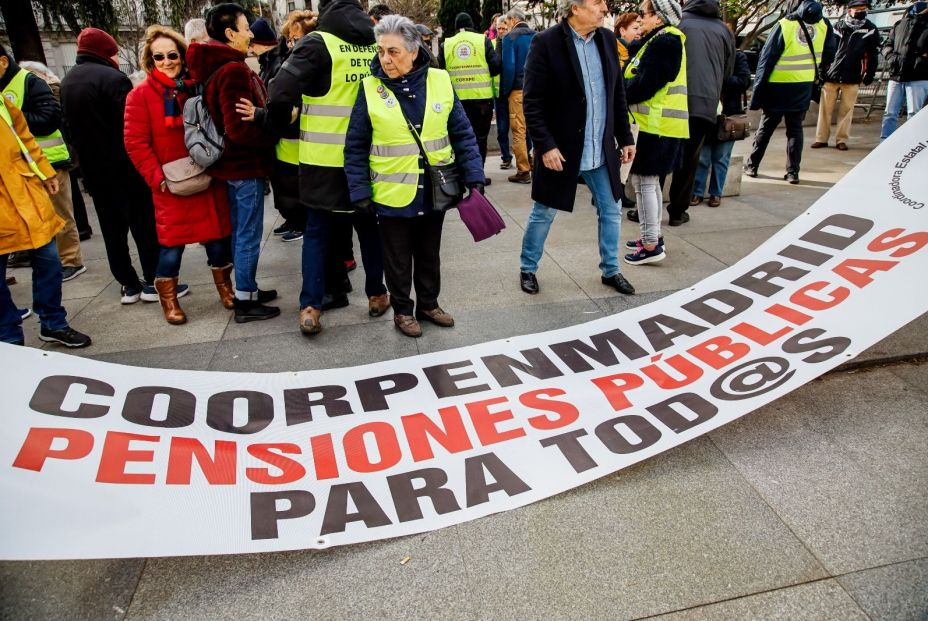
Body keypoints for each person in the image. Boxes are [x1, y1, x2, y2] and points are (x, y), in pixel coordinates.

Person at [345, 15, 484, 337]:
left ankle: (429, 304)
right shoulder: (369, 89)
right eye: (381, 51)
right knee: (396, 258)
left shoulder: (440, 80)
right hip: (392, 193)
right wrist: (359, 192)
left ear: (413, 50)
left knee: (428, 252)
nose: (385, 59)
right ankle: (403, 312)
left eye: (393, 52)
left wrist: (474, 175)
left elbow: (462, 133)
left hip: (435, 188)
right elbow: (354, 146)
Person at [266, 0, 390, 336]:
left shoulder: (316, 44)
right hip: (368, 158)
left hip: (321, 160)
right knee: (368, 227)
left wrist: (282, 125)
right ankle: (377, 294)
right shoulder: (377, 41)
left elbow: (277, 95)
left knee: (317, 232)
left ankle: (311, 306)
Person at [518, 0, 637, 295]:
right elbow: (532, 102)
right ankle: (527, 268)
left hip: (601, 148)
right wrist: (545, 145)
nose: (604, 8)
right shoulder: (545, 42)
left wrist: (625, 136)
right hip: (562, 149)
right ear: (575, 8)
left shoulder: (608, 39)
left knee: (611, 209)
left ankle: (611, 271)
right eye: (597, 2)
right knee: (543, 211)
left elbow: (616, 93)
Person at [124, 26, 234, 325]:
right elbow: (135, 143)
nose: (167, 61)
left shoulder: (196, 86)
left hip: (206, 177)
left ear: (182, 56)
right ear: (150, 59)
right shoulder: (140, 96)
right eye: (159, 57)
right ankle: (169, 300)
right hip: (171, 185)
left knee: (217, 243)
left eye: (172, 55)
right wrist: (156, 178)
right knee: (171, 249)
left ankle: (226, 290)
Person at [187, 4, 280, 323]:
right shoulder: (233, 70)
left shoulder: (218, 65)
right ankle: (245, 302)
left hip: (232, 167)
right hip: (243, 167)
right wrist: (272, 137)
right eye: (246, 27)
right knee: (247, 233)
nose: (251, 33)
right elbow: (238, 128)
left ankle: (248, 289)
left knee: (244, 231)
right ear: (229, 33)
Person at [60, 28, 166, 305]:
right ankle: (152, 280)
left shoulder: (68, 81)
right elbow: (129, 128)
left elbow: (68, 130)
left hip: (95, 173)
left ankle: (127, 284)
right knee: (143, 226)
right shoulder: (114, 79)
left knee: (111, 231)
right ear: (106, 52)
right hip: (125, 169)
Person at [0, 96, 91, 348]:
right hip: (9, 200)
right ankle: (8, 335)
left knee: (49, 260)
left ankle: (53, 322)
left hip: (24, 194)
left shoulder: (3, 103)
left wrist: (45, 171)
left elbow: (25, 140)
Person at [0, 50, 86, 283]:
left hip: (49, 161)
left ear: (3, 62)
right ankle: (49, 260)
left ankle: (71, 261)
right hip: (17, 169)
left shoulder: (29, 82)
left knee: (61, 215)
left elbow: (50, 118)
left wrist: (11, 118)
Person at [622, 0, 687, 265]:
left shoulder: (666, 42)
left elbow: (646, 84)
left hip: (655, 127)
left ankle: (650, 244)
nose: (640, 19)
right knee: (647, 183)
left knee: (645, 182)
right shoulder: (659, 39)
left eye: (644, 14)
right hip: (655, 125)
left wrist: (620, 91)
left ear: (659, 18)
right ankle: (653, 236)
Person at [744, 0, 836, 184]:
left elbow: (766, 59)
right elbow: (830, 54)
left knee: (766, 129)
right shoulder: (825, 25)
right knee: (795, 131)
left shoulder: (785, 25)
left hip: (778, 86)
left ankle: (752, 166)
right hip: (803, 86)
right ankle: (793, 172)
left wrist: (757, 93)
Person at [662, 0, 734, 228]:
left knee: (661, 156)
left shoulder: (679, 23)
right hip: (705, 106)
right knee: (689, 160)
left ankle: (648, 211)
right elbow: (728, 71)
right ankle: (677, 212)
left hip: (674, 102)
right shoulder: (724, 30)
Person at [263, 10, 317, 242]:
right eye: (290, 39)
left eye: (297, 38)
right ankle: (294, 220)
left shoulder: (312, 62)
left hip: (305, 135)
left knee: (298, 184)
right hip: (287, 134)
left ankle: (300, 222)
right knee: (286, 182)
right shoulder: (288, 60)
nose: (292, 44)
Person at [440, 13, 501, 184]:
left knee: (457, 138)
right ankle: (477, 175)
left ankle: (460, 174)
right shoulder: (483, 41)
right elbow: (496, 67)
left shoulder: (447, 43)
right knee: (480, 138)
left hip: (455, 101)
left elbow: (440, 71)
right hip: (481, 100)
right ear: (472, 24)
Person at [812, 0, 878, 150]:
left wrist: (869, 74)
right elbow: (826, 50)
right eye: (858, 9)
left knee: (847, 111)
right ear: (849, 10)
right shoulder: (837, 27)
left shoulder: (871, 29)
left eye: (864, 9)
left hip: (853, 76)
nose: (862, 11)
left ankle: (841, 140)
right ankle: (821, 138)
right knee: (825, 110)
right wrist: (822, 70)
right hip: (831, 76)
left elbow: (873, 55)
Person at [692, 49, 752, 207]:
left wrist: (719, 78)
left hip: (727, 117)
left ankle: (715, 193)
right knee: (702, 158)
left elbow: (744, 81)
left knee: (721, 158)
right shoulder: (706, 55)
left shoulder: (738, 56)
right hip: (706, 113)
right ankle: (697, 192)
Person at [879, 1, 928, 140]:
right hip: (896, 75)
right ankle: (885, 142)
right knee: (890, 113)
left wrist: (920, 61)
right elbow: (887, 45)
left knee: (914, 114)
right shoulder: (900, 25)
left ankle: (911, 144)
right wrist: (891, 57)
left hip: (919, 76)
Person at [501, 8, 536, 184]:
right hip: (538, 89)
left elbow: (509, 67)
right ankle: (538, 163)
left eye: (506, 23)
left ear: (513, 20)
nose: (506, 27)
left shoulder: (510, 38)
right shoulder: (537, 36)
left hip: (518, 90)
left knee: (519, 131)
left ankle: (523, 170)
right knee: (538, 128)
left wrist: (505, 90)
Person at [494, 16, 514, 170]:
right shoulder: (494, 44)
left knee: (520, 128)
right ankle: (506, 157)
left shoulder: (513, 42)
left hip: (513, 92)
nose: (501, 31)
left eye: (504, 28)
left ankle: (527, 155)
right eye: (499, 28)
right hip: (499, 94)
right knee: (502, 129)